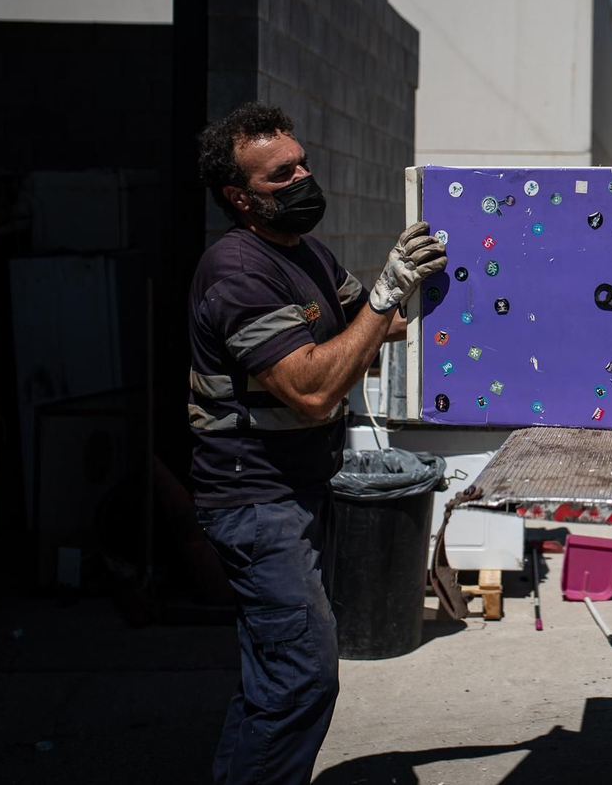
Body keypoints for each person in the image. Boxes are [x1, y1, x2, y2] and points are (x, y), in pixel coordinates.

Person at [189, 102, 445, 783]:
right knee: (302, 677)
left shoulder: (307, 254)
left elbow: (371, 325)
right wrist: (385, 295)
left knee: (274, 676)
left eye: (301, 163)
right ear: (239, 196)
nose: (302, 177)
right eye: (280, 174)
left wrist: (451, 298)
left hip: (301, 489)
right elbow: (310, 388)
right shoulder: (237, 271)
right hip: (255, 500)